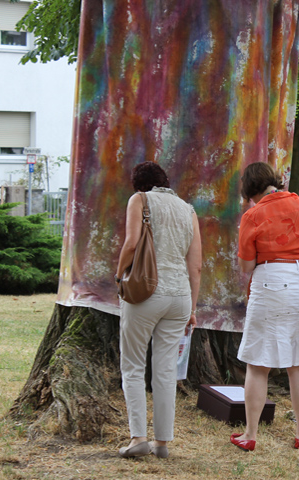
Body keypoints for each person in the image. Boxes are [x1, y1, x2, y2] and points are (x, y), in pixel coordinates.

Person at [230, 162, 299, 452]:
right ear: (275, 181)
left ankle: (250, 434)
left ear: (251, 191)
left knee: (258, 363)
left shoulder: (253, 214)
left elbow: (247, 265)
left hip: (270, 282)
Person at [115, 161, 202, 459]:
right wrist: (192, 306)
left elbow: (131, 243)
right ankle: (162, 443)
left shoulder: (139, 200)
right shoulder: (188, 210)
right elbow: (197, 266)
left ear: (140, 184)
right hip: (179, 297)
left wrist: (119, 275)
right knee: (165, 371)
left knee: (133, 366)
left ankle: (139, 437)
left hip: (145, 293)